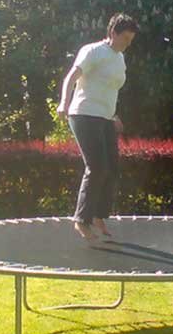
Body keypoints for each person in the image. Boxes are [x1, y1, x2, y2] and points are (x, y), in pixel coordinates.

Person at [57, 13, 139, 240]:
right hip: (84, 114)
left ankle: (97, 216)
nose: (127, 44)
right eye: (125, 39)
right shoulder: (92, 51)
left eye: (130, 40)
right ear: (112, 33)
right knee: (97, 166)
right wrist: (63, 103)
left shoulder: (119, 58)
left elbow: (108, 88)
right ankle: (81, 219)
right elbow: (71, 78)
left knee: (111, 168)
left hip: (105, 118)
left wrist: (114, 115)